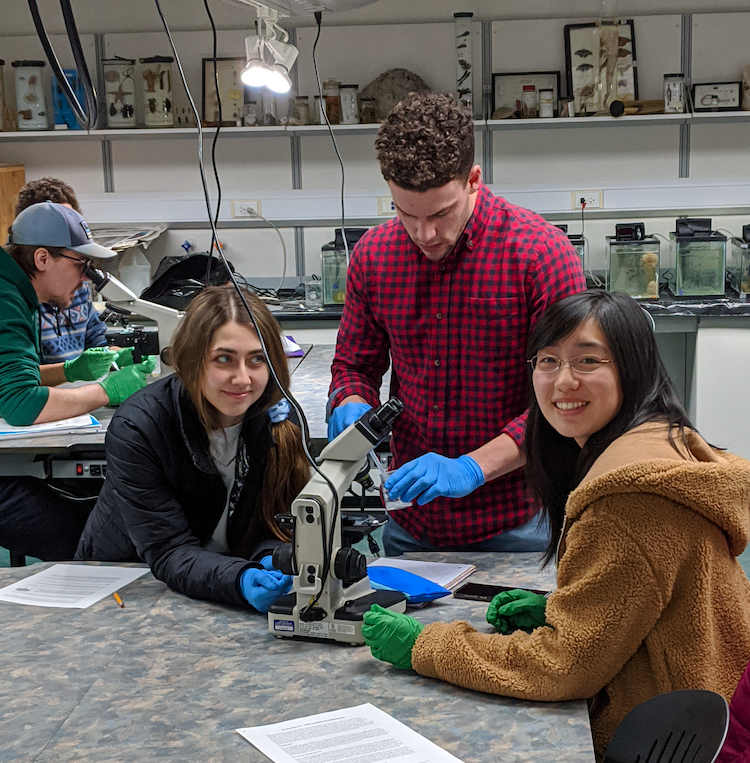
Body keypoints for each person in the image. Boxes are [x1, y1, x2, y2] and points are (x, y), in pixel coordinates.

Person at [361, 290, 750, 760]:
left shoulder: (626, 501)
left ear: (633, 367)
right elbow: (652, 596)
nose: (563, 381)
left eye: (588, 361)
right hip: (700, 703)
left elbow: (564, 665)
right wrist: (564, 608)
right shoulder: (664, 439)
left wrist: (427, 646)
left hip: (662, 735)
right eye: (548, 360)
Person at [327, 93, 586, 555]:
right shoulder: (373, 256)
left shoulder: (540, 255)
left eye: (440, 214)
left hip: (517, 523)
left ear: (473, 180)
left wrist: (472, 467)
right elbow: (355, 365)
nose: (425, 234)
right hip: (410, 523)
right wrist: (350, 402)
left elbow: (568, 399)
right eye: (406, 214)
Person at [76, 285, 311, 611]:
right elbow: (168, 549)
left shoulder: (278, 419)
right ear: (191, 360)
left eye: (257, 359)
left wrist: (271, 558)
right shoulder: (140, 427)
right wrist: (239, 578)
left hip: (218, 587)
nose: (243, 379)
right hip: (131, 587)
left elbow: (271, 523)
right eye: (224, 359)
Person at [0, 201, 154, 560]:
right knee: (80, 532)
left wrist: (71, 372)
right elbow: (21, 404)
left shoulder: (11, 286)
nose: (86, 278)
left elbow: (7, 379)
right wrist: (104, 391)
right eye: (80, 265)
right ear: (42, 259)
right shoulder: (5, 298)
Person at [14, 176, 109, 363]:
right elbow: (22, 380)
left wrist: (112, 358)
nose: (84, 277)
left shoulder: (74, 282)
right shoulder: (15, 304)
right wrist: (72, 374)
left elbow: (96, 339)